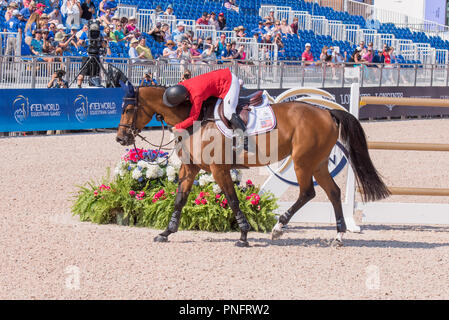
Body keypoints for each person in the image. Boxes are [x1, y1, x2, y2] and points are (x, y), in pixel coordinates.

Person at [162, 68, 248, 149]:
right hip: (219, 76)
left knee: (228, 113)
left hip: (228, 82)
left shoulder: (197, 95)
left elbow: (194, 117)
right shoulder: (182, 85)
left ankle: (245, 139)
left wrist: (178, 127)